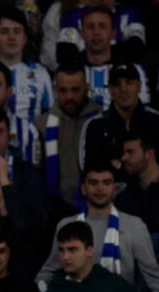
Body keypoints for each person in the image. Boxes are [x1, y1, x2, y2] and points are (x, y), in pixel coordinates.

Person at [35, 164, 159, 292]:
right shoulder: (66, 225)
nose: (100, 188)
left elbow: (153, 273)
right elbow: (48, 271)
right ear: (83, 188)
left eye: (106, 183)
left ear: (115, 189)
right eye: (93, 183)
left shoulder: (134, 225)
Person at [78, 63, 159, 172]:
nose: (123, 89)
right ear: (109, 89)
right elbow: (88, 169)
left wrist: (115, 165)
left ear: (139, 86)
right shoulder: (94, 126)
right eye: (116, 84)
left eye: (129, 82)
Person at [33, 62, 100, 209]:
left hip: (96, 206)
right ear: (55, 90)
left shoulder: (101, 121)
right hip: (53, 208)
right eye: (63, 91)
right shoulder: (41, 125)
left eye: (75, 90)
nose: (69, 96)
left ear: (87, 89)